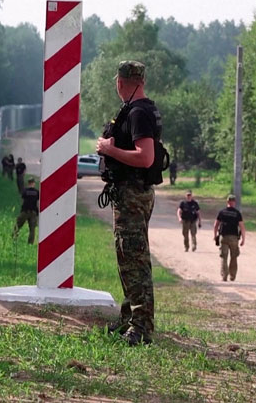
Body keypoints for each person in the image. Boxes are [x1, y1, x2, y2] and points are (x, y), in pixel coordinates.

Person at [95, 60, 160, 346]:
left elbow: (144, 157)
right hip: (131, 192)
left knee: (134, 257)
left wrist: (111, 149)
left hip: (133, 193)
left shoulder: (138, 112)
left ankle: (141, 327)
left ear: (121, 82)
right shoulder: (140, 109)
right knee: (129, 258)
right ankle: (129, 318)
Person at [213, 194, 246, 281]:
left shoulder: (222, 212)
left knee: (224, 257)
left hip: (223, 237)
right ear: (234, 202)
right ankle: (232, 275)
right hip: (234, 238)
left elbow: (216, 225)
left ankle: (224, 276)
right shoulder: (237, 213)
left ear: (227, 202)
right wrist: (243, 239)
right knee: (234, 256)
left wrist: (215, 235)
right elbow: (242, 227)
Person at [13, 178, 39, 244]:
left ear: (28, 183)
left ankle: (14, 238)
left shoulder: (25, 191)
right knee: (32, 229)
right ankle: (30, 243)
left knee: (18, 225)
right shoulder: (36, 192)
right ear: (33, 183)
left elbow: (23, 199)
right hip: (33, 212)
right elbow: (38, 202)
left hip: (25, 211)